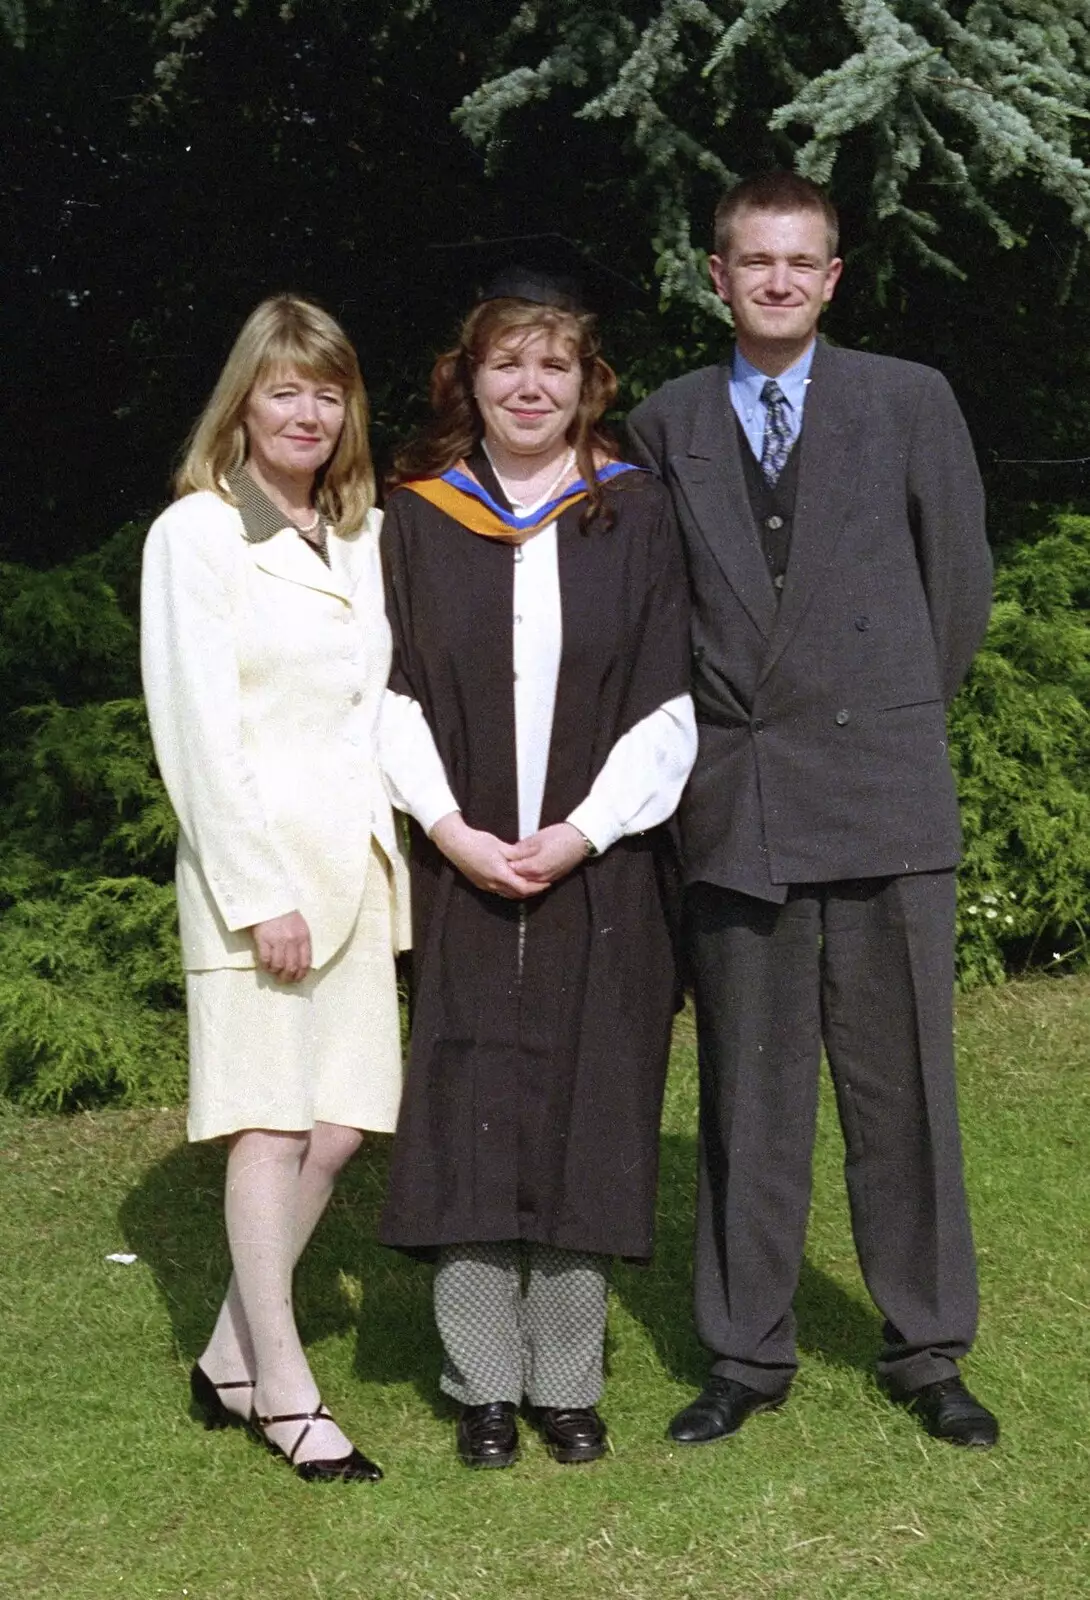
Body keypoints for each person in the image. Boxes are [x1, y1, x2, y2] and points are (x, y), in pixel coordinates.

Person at [627, 172, 998, 1450]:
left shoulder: (908, 401)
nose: (777, 281)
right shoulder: (664, 419)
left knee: (904, 1091)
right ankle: (744, 1351)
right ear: (714, 276)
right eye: (753, 261)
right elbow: (653, 611)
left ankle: (926, 1346)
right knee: (749, 1092)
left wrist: (879, 709)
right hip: (743, 801)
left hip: (884, 791)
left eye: (801, 262)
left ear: (832, 279)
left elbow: (956, 594)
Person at [377, 248, 696, 1468]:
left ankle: (565, 1377)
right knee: (465, 1103)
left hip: (598, 866)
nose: (530, 385)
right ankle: (480, 1384)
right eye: (507, 361)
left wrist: (581, 831)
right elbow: (387, 694)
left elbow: (672, 700)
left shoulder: (636, 511)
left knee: (587, 1101)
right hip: (462, 861)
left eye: (553, 364)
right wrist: (450, 828)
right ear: (471, 373)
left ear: (588, 382)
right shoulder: (417, 515)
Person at [141, 294, 409, 1482]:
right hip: (263, 880)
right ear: (241, 402)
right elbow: (196, 732)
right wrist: (259, 895)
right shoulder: (197, 535)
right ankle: (285, 1391)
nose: (307, 410)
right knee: (271, 1123)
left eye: (327, 390)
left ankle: (226, 1354)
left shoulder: (357, 531)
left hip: (356, 867)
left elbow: (376, 708)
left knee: (341, 1124)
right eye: (283, 389)